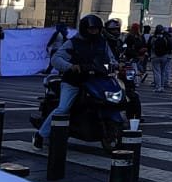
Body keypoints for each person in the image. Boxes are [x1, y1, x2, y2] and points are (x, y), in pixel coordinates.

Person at [34, 14, 117, 149]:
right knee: (63, 108)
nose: (94, 31)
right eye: (91, 29)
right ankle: (41, 135)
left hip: (97, 80)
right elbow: (56, 58)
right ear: (85, 29)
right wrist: (70, 67)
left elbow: (111, 58)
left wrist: (116, 65)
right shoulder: (73, 42)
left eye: (96, 29)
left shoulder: (102, 42)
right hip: (74, 81)